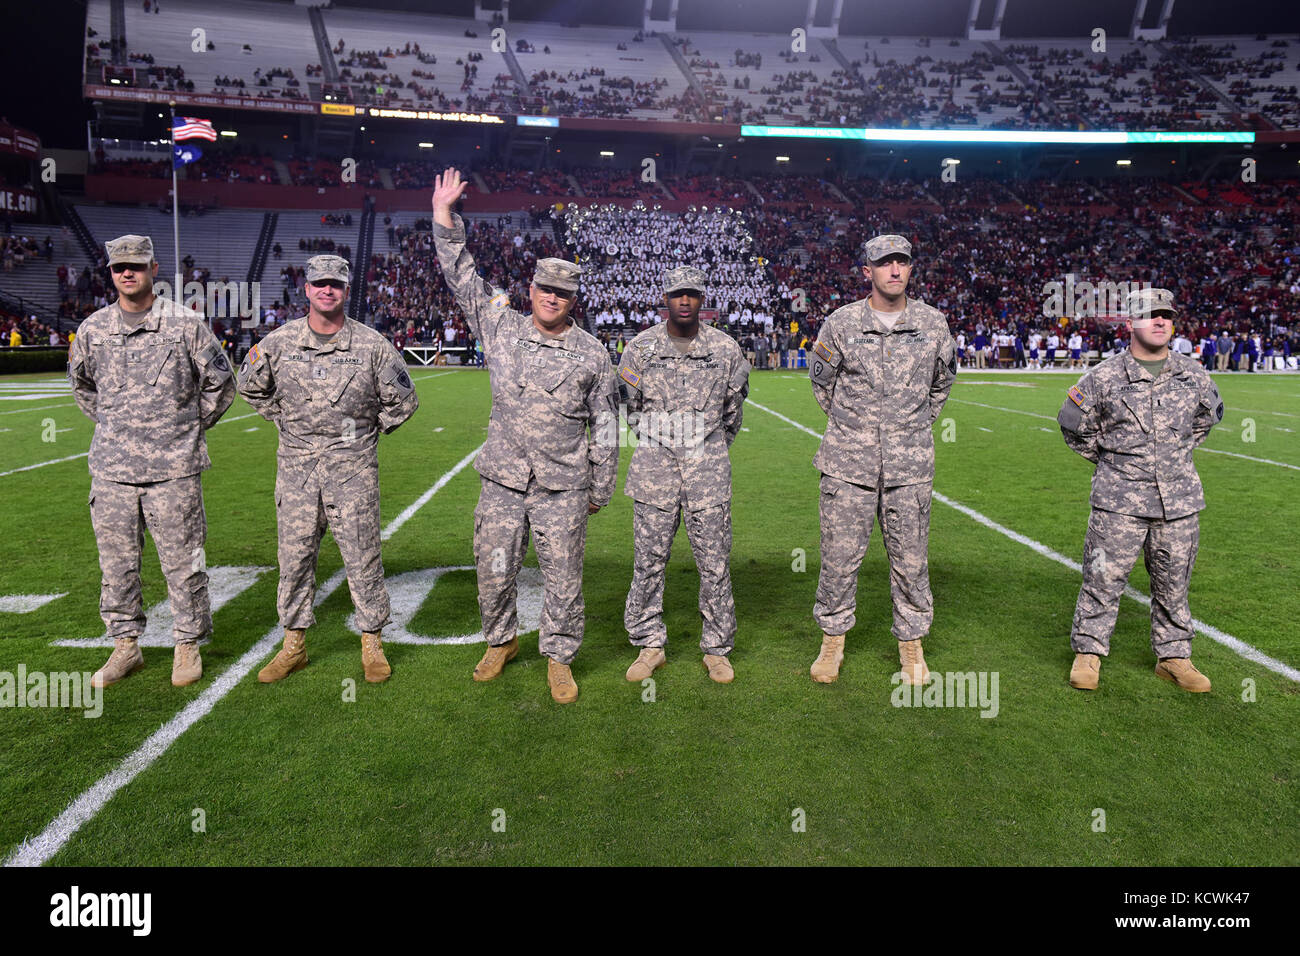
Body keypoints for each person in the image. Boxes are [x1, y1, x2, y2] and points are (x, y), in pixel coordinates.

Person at [431, 168, 618, 705]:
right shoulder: (501, 325)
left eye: (563, 293)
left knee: (563, 579)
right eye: (545, 289)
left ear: (573, 299)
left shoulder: (592, 354)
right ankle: (501, 641)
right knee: (493, 567)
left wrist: (599, 489)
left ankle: (559, 658)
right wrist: (444, 216)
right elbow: (462, 278)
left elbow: (605, 425)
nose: (552, 298)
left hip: (563, 485)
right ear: (530, 288)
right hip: (504, 480)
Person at [237, 254, 418, 685]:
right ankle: (294, 646)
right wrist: (280, 418)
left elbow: (404, 402)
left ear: (346, 289)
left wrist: (365, 435)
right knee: (295, 560)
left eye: (335, 284)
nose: (326, 290)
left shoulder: (372, 346)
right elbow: (248, 385)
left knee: (362, 557)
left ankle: (371, 642)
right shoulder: (279, 343)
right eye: (319, 283)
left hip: (352, 472)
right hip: (297, 472)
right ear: (307, 289)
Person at [67, 234, 235, 688]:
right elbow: (82, 387)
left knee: (183, 561)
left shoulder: (185, 324)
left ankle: (187, 644)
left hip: (173, 470)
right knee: (117, 564)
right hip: (113, 472)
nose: (128, 272)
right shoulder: (93, 330)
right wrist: (116, 427)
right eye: (120, 266)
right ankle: (125, 647)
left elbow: (221, 384)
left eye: (137, 266)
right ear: (110, 272)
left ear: (153, 269)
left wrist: (186, 428)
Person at [807, 234, 957, 685]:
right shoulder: (840, 323)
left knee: (911, 561)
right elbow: (822, 385)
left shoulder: (933, 325)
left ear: (911, 270)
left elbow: (940, 386)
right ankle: (832, 641)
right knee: (838, 558)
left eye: (902, 262)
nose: (894, 270)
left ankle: (911, 647)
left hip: (908, 468)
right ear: (867, 271)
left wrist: (905, 430)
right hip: (848, 465)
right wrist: (858, 429)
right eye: (884, 263)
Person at [1057, 288, 1223, 692]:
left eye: (1166, 314)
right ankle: (1089, 653)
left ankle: (1174, 657)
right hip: (1119, 500)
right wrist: (1118, 463)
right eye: (1151, 314)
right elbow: (1074, 428)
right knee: (1103, 578)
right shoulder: (1103, 377)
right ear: (1130, 323)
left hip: (1179, 500)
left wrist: (1172, 456)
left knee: (1173, 582)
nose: (1161, 321)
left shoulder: (1193, 374)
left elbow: (1208, 418)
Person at [619, 266, 749, 685]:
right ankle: (649, 644)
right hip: (654, 473)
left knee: (714, 564)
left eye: (692, 294)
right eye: (678, 294)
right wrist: (663, 441)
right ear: (666, 298)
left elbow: (732, 413)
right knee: (648, 563)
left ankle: (716, 649)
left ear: (701, 299)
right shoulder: (640, 348)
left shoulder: (726, 350)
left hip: (707, 473)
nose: (685, 301)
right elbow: (628, 409)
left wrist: (703, 448)